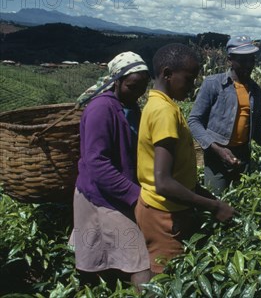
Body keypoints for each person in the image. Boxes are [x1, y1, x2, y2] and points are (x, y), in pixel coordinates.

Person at [135, 43, 237, 274]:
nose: (193, 86)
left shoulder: (159, 104)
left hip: (157, 207)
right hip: (163, 213)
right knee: (167, 281)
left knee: (154, 270)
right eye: (189, 79)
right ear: (168, 74)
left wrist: (204, 195)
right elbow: (163, 182)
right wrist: (214, 205)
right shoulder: (164, 112)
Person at [69, 51, 151, 291]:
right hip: (99, 196)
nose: (139, 93)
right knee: (139, 263)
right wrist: (136, 195)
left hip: (116, 191)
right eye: (133, 87)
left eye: (143, 87)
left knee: (101, 261)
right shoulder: (101, 109)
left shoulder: (129, 106)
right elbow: (97, 163)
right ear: (116, 82)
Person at [188, 36, 261, 196]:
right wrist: (217, 148)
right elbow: (194, 121)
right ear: (230, 60)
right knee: (215, 201)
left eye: (251, 60)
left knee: (241, 204)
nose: (248, 65)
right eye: (242, 60)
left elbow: (256, 130)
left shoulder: (255, 91)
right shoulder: (213, 84)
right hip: (216, 157)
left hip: (242, 157)